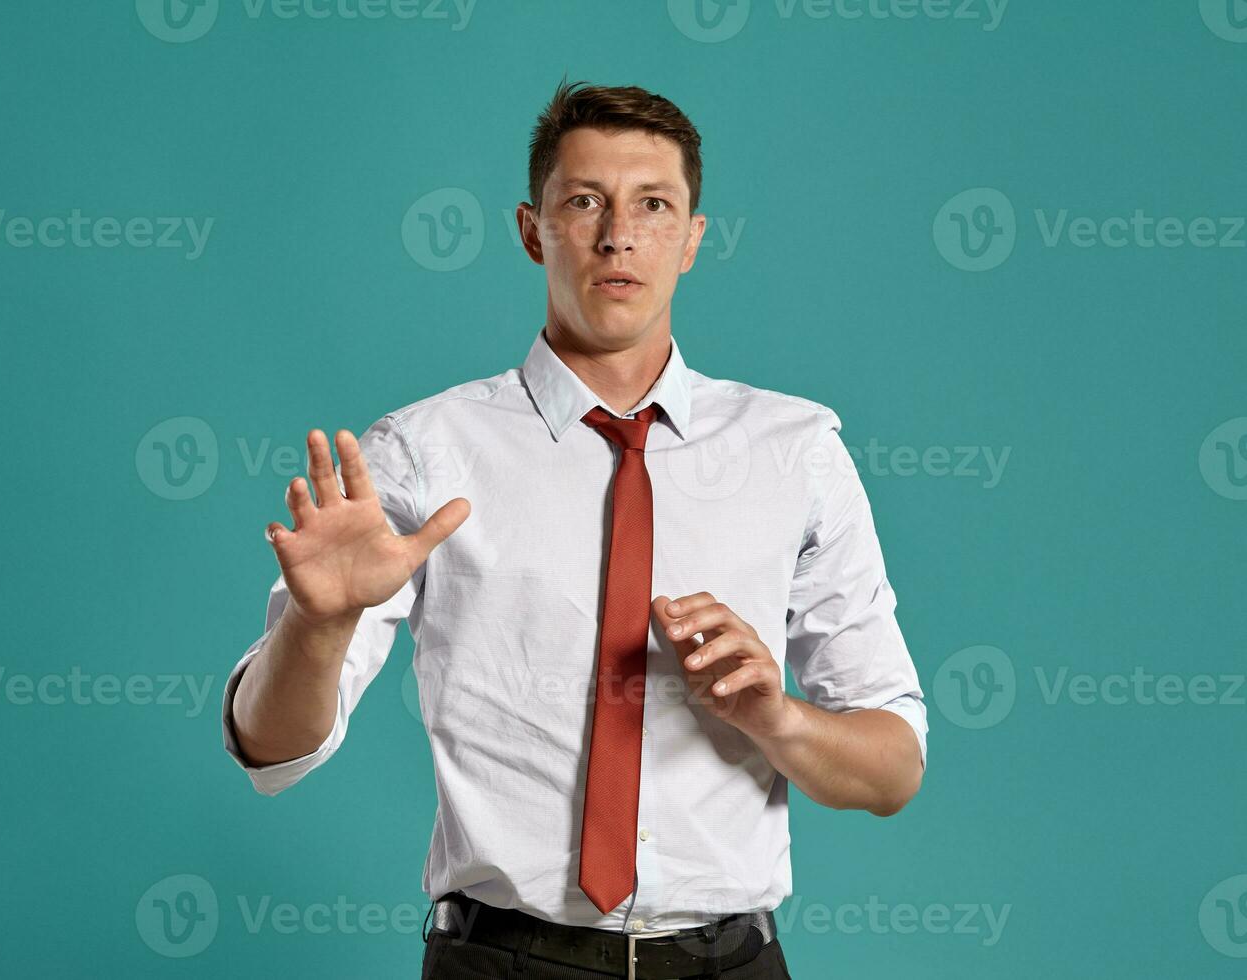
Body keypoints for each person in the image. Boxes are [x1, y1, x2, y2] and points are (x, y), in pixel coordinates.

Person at [222, 79, 927, 979]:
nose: (617, 234)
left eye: (654, 205)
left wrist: (779, 720)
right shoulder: (422, 454)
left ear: (694, 240)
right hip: (501, 961)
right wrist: (315, 627)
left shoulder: (798, 452)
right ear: (532, 230)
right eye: (584, 201)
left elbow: (893, 770)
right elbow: (269, 748)